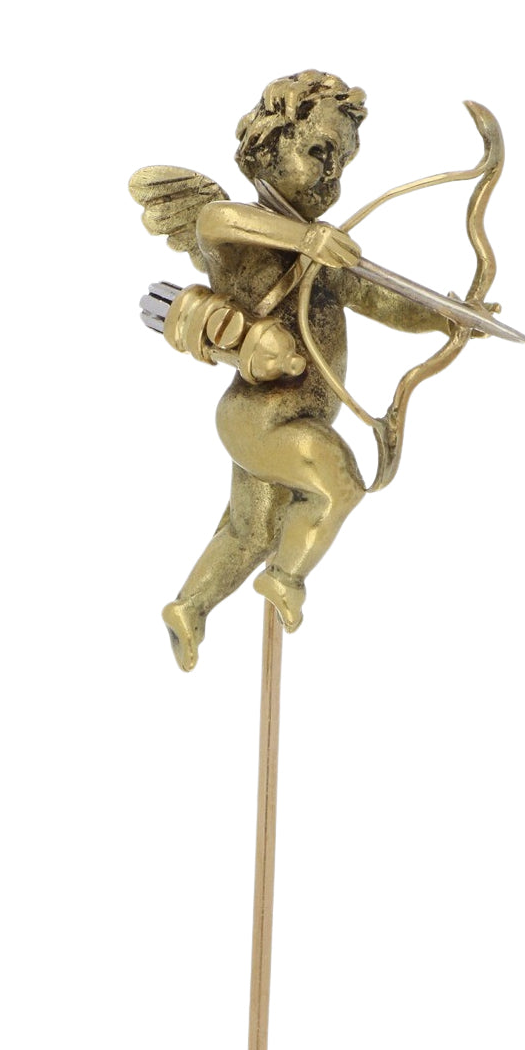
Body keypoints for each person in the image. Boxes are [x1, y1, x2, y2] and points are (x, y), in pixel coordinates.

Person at [160, 71, 445, 671]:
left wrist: (448, 318)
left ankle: (189, 608)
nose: (331, 172)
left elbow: (386, 302)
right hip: (261, 417)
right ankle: (286, 578)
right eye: (318, 150)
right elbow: (218, 219)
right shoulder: (242, 235)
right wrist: (306, 238)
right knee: (340, 483)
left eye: (342, 161)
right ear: (266, 149)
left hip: (282, 421)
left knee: (250, 530)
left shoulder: (325, 254)